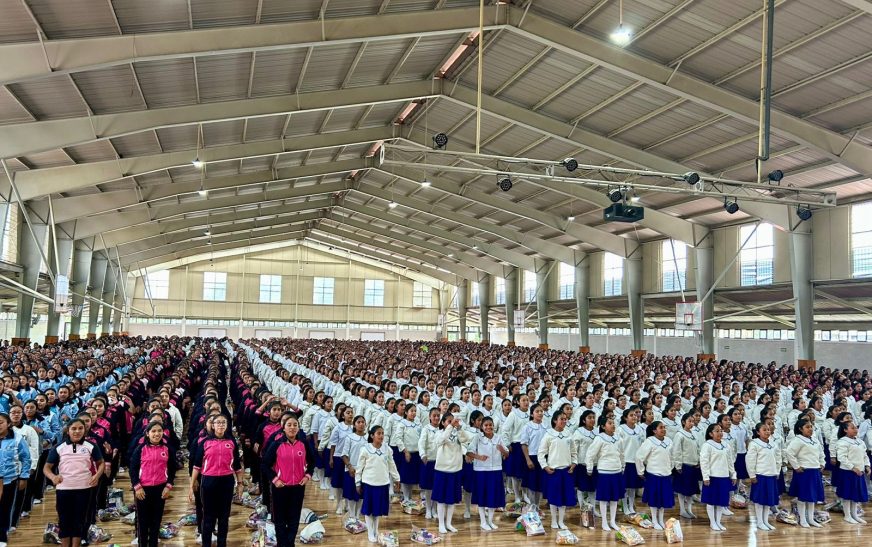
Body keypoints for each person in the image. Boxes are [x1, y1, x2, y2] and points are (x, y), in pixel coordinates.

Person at [43, 418, 102, 547]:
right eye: (73, 429)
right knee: (64, 520)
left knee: (79, 520)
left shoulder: (91, 446)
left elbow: (101, 463)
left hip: (84, 488)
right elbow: (46, 467)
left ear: (85, 430)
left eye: (80, 428)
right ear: (68, 431)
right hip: (64, 489)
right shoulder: (59, 447)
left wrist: (97, 475)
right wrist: (53, 477)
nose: (77, 431)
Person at [189, 414, 245, 547]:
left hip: (226, 482)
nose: (221, 425)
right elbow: (196, 465)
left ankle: (222, 543)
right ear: (212, 426)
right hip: (208, 482)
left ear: (227, 425)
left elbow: (237, 465)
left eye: (223, 423)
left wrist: (240, 483)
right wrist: (192, 486)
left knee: (224, 517)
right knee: (208, 517)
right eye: (218, 423)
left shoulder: (231, 443)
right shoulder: (204, 442)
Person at [262, 415, 313, 547]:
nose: (292, 428)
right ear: (283, 428)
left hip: (298, 487)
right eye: (289, 425)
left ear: (298, 428)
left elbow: (312, 462)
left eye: (295, 425)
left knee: (294, 518)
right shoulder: (277, 444)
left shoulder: (303, 444)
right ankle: (282, 543)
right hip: (280, 487)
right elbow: (265, 464)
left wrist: (307, 476)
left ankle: (289, 543)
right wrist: (275, 479)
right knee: (280, 519)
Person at [129, 421, 177, 547]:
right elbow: (133, 469)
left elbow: (172, 469)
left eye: (159, 431)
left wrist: (168, 486)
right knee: (143, 522)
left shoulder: (167, 449)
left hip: (161, 489)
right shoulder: (140, 449)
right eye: (153, 431)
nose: (157, 434)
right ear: (147, 433)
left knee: (156, 521)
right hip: (143, 490)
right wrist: (137, 487)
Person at [356, 425, 400, 544]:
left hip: (383, 483)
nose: (381, 436)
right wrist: (357, 482)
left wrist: (397, 479)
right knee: (369, 509)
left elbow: (392, 465)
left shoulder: (387, 449)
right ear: (372, 436)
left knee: (377, 510)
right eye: (378, 433)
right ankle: (370, 532)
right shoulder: (365, 449)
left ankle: (375, 530)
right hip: (369, 483)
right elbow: (359, 467)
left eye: (382, 433)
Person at [432, 412, 473, 535]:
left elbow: (467, 439)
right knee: (441, 499)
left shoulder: (457, 433)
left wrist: (459, 428)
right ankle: (441, 524)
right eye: (448, 421)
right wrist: (450, 427)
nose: (452, 423)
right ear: (443, 422)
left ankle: (448, 523)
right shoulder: (439, 433)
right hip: (442, 469)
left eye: (453, 421)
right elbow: (440, 440)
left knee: (451, 499)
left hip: (455, 469)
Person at [538, 411, 577, 530]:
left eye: (565, 419)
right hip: (553, 472)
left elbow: (574, 451)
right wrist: (545, 466)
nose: (564, 421)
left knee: (564, 498)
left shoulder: (568, 434)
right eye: (562, 419)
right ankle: (554, 521)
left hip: (566, 471)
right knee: (554, 498)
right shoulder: (549, 435)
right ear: (555, 420)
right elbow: (541, 453)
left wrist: (574, 463)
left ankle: (561, 521)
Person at [585, 415, 624, 531]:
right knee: (603, 498)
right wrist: (589, 468)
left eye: (613, 423)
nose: (613, 425)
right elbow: (590, 454)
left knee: (614, 498)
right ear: (603, 426)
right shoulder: (599, 438)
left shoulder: (619, 438)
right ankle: (604, 522)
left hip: (616, 471)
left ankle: (612, 521)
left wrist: (623, 465)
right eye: (610, 423)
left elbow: (622, 454)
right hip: (604, 472)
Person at [468, 416, 507, 531]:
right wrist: (479, 457)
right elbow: (469, 452)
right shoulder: (477, 438)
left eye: (491, 425)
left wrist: (502, 450)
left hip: (495, 471)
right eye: (486, 425)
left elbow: (507, 454)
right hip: (481, 471)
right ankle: (483, 522)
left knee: (493, 497)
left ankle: (490, 521)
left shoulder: (498, 437)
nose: (489, 427)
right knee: (482, 496)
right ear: (482, 427)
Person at [785, 418, 826, 528]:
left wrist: (822, 463)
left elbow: (821, 453)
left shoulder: (814, 439)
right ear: (800, 429)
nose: (810, 429)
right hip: (804, 472)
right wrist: (796, 466)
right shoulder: (798, 440)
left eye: (811, 427)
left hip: (815, 471)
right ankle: (803, 519)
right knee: (802, 497)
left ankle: (811, 518)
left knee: (812, 497)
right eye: (807, 427)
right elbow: (789, 453)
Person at [635, 421, 674, 530]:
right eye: (660, 427)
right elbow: (639, 457)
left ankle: (661, 520)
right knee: (654, 498)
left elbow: (672, 456)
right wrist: (641, 471)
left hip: (666, 475)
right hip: (654, 475)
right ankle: (654, 520)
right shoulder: (649, 441)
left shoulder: (669, 441)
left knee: (663, 499)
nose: (663, 429)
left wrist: (670, 467)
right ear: (654, 430)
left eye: (664, 427)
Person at [700, 423, 736, 532]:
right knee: (711, 501)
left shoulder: (726, 445)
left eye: (721, 430)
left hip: (724, 477)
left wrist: (733, 474)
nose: (720, 433)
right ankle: (712, 522)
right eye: (717, 431)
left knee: (721, 501)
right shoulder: (707, 445)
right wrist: (706, 477)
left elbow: (730, 461)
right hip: (712, 477)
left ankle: (718, 521)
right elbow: (704, 462)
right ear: (711, 434)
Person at [746, 422, 780, 531]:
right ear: (758, 432)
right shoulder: (755, 444)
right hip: (760, 475)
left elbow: (778, 458)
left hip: (771, 475)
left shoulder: (773, 444)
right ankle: (759, 522)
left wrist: (777, 471)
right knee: (760, 500)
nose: (767, 432)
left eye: (768, 430)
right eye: (764, 430)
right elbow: (750, 460)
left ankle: (765, 521)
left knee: (768, 500)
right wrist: (752, 475)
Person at [834, 421, 870, 524]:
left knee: (855, 495)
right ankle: (847, 515)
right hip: (848, 472)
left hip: (859, 472)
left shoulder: (860, 442)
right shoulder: (842, 442)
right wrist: (853, 468)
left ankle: (854, 515)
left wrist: (867, 466)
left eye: (856, 428)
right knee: (847, 494)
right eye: (852, 428)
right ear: (845, 430)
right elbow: (842, 458)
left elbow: (864, 455)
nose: (855, 429)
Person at [671, 412, 702, 519]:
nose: (691, 423)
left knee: (691, 490)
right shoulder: (679, 434)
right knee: (682, 489)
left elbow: (698, 449)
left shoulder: (694, 434)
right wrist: (678, 465)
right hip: (684, 466)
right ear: (684, 422)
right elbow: (677, 451)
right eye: (689, 421)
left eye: (693, 421)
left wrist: (698, 460)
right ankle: (682, 509)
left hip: (693, 465)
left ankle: (689, 509)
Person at [338, 415, 367, 520]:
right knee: (351, 494)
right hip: (351, 469)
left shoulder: (368, 438)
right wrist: (350, 467)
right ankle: (351, 515)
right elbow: (344, 454)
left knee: (361, 494)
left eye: (363, 422)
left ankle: (358, 515)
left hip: (364, 470)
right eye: (358, 422)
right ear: (354, 424)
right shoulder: (349, 437)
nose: (361, 424)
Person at [520, 403, 547, 508]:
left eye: (541, 411)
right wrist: (528, 459)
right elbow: (524, 444)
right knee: (532, 484)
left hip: (543, 458)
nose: (540, 413)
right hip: (532, 457)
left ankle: (537, 506)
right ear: (532, 414)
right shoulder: (527, 427)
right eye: (537, 411)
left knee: (540, 484)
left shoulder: (545, 426)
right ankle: (532, 506)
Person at [571, 410, 597, 510]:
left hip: (594, 464)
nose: (592, 420)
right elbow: (574, 449)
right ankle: (583, 509)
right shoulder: (579, 432)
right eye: (589, 418)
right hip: (582, 464)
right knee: (581, 488)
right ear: (584, 420)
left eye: (593, 417)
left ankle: (593, 509)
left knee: (593, 488)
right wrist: (574, 461)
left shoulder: (597, 431)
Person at [417, 408, 441, 519]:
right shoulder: (426, 429)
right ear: (430, 417)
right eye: (434, 415)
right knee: (428, 487)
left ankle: (434, 508)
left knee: (437, 486)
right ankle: (428, 508)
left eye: (438, 415)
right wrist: (423, 455)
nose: (436, 418)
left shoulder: (443, 429)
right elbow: (421, 443)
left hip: (440, 462)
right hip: (429, 461)